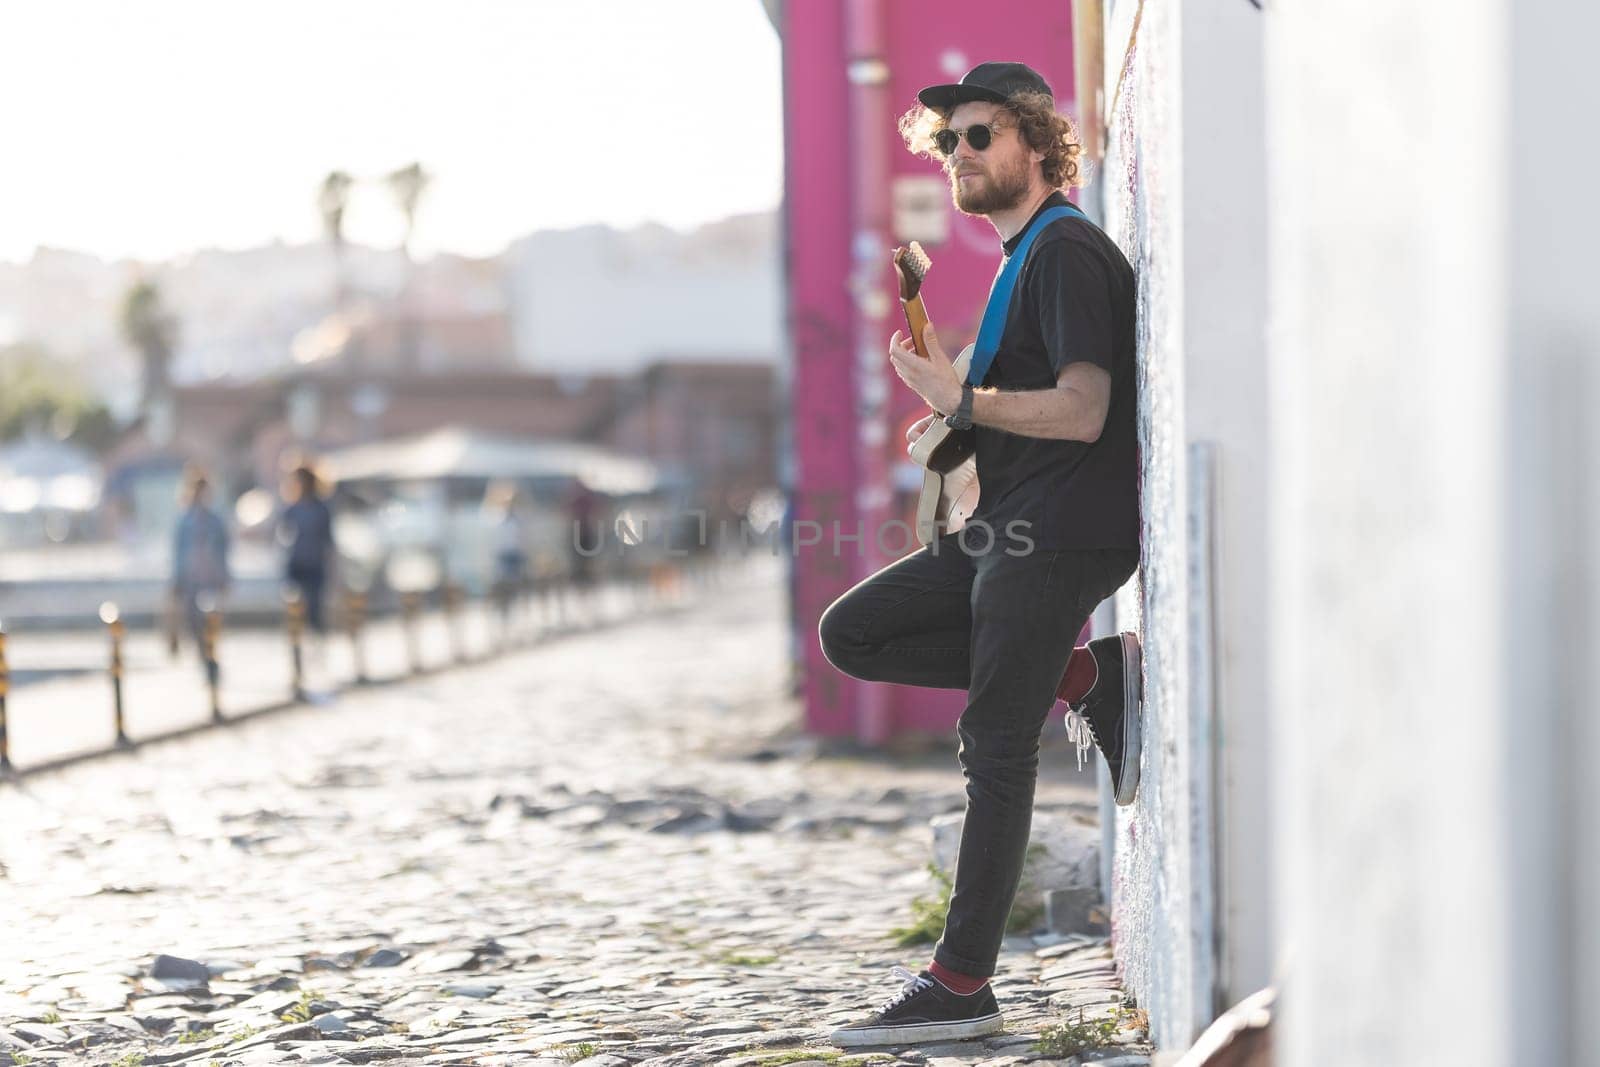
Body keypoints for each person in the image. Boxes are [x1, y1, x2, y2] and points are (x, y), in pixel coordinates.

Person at [818, 62, 1144, 1045]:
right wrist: (956, 414)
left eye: (982, 133)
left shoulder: (1066, 254)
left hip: (1057, 534)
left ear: (1038, 143)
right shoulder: (1019, 260)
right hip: (1004, 526)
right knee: (856, 631)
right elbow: (1011, 416)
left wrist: (964, 399)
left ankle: (959, 983)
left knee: (994, 743)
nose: (961, 153)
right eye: (949, 140)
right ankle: (1087, 670)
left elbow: (1084, 411)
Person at [171, 467, 230, 665]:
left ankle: (211, 657)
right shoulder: (184, 521)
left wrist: (225, 578)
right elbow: (178, 552)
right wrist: (176, 580)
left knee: (211, 620)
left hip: (211, 577)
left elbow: (224, 551)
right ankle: (203, 656)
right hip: (191, 579)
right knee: (193, 621)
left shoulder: (215, 520)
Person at [278, 464, 335, 635]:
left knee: (315, 606)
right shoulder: (292, 509)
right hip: (297, 563)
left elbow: (328, 539)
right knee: (295, 605)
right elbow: (283, 535)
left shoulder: (321, 509)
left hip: (315, 563)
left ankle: (316, 636)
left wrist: (332, 565)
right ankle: (299, 640)